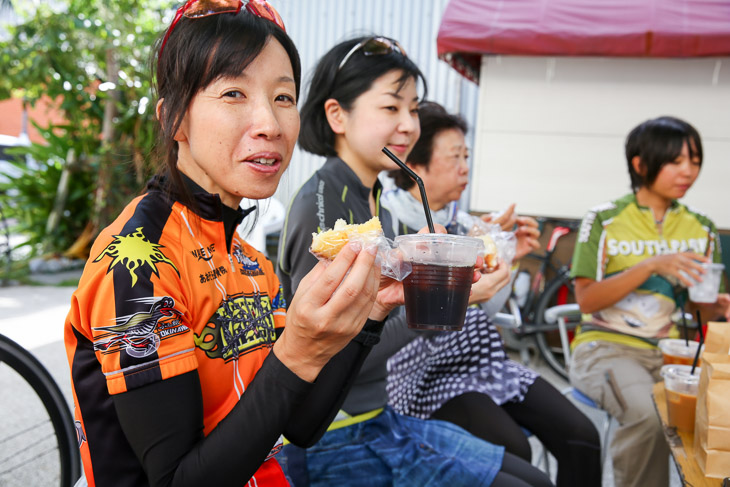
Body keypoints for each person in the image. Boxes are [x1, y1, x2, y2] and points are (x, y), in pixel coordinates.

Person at [63, 3, 408, 486]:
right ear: (174, 119)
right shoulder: (137, 263)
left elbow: (300, 426)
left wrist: (373, 312)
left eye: (283, 97)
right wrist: (299, 352)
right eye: (233, 92)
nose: (270, 122)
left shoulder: (249, 260)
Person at [277, 35, 553, 487]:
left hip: (379, 418)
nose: (409, 125)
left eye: (414, 108)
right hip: (335, 438)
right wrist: (449, 299)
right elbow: (332, 355)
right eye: (391, 108)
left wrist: (460, 278)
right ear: (337, 115)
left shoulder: (377, 199)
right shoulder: (324, 208)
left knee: (532, 476)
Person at [383, 101, 602, 487]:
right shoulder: (392, 230)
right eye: (454, 157)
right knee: (515, 449)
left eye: (466, 156)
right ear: (415, 167)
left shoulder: (464, 224)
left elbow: (487, 309)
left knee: (582, 436)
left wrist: (505, 258)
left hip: (481, 363)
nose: (465, 167)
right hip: (421, 378)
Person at [569, 116, 730, 487]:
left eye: (694, 160)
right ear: (641, 164)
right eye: (676, 161)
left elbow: (696, 311)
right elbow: (587, 299)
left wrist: (717, 308)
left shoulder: (702, 227)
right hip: (607, 347)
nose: (688, 171)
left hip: (675, 349)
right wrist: (653, 265)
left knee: (716, 411)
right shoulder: (605, 220)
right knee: (646, 413)